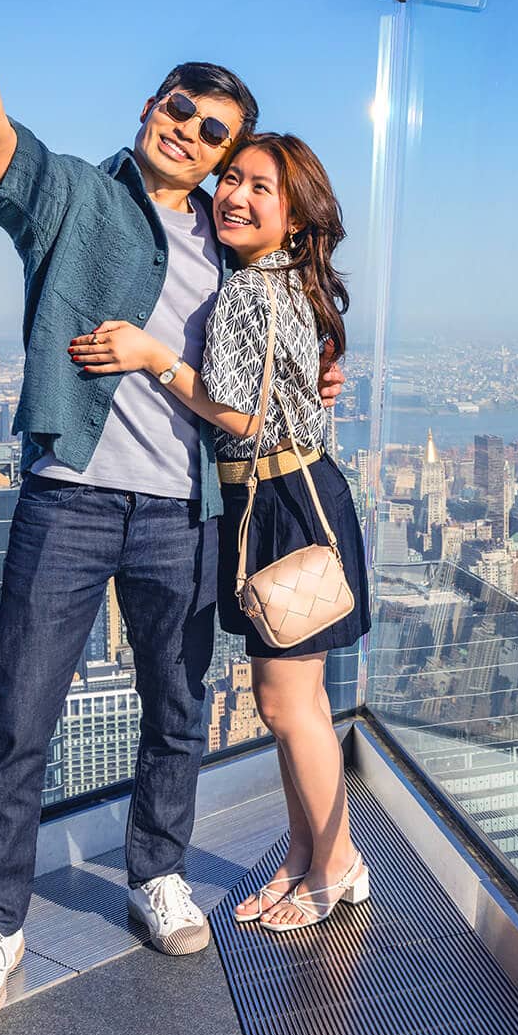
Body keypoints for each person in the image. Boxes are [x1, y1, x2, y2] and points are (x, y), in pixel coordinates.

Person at [0, 0, 344, 1030]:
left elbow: (288, 336)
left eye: (213, 132)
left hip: (185, 507)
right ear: (149, 109)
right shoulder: (72, 194)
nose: (192, 134)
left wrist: (323, 375)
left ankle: (155, 868)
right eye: (180, 108)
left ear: (224, 157)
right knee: (17, 713)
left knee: (178, 703)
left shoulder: (238, 239)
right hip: (69, 496)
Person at [71, 131, 374, 932]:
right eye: (231, 179)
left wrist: (150, 355)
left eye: (260, 188)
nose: (235, 195)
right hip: (295, 496)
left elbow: (238, 412)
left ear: (297, 221)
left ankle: (336, 863)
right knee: (296, 701)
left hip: (280, 502)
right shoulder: (279, 282)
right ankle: (308, 855)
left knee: (285, 706)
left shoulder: (247, 290)